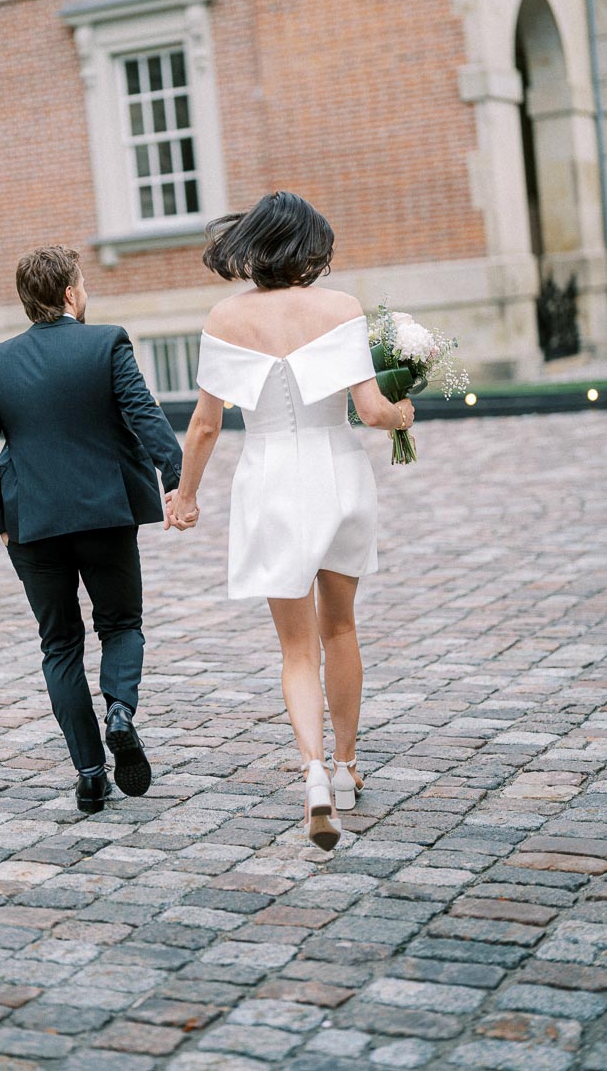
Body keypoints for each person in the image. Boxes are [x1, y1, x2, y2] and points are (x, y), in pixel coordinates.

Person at [165, 192, 414, 851]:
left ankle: (312, 775)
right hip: (337, 474)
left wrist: (185, 497)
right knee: (340, 627)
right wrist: (403, 414)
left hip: (270, 480)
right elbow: (370, 409)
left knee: (295, 648)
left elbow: (206, 425)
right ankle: (347, 765)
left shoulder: (224, 316)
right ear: (311, 247)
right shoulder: (341, 310)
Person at [0, 245, 184, 814]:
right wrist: (176, 476)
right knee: (121, 623)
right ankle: (120, 711)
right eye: (82, 285)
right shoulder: (106, 342)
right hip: (106, 513)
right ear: (68, 294)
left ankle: (89, 774)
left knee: (59, 644)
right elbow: (143, 412)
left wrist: (0, 524)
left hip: (32, 527)